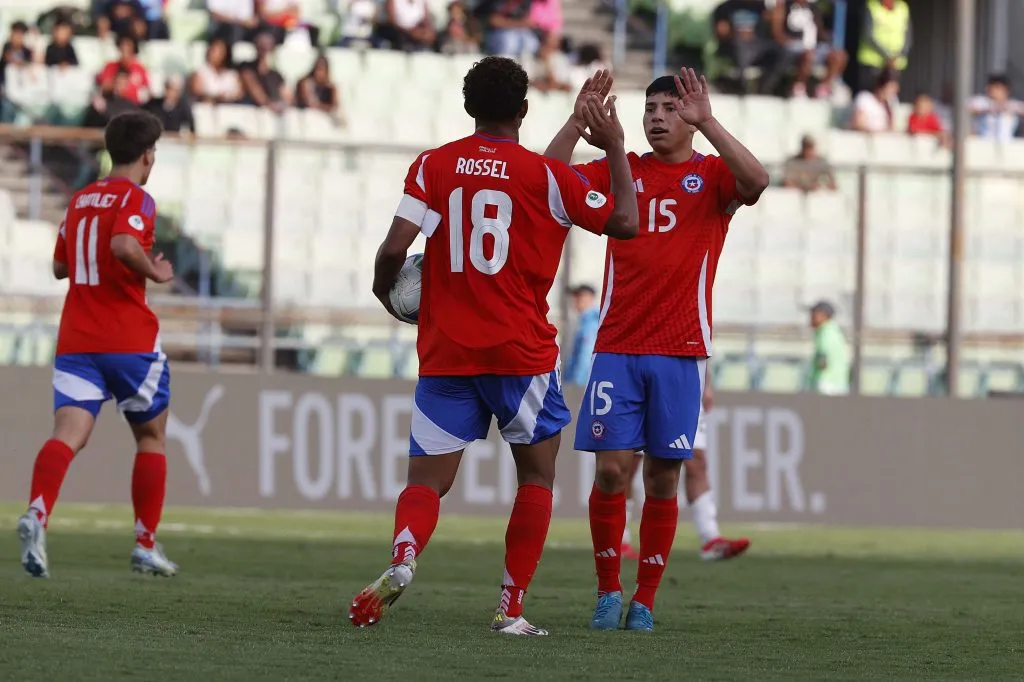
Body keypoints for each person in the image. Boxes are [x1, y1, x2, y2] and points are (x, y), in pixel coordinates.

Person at [349, 56, 639, 636]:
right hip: (521, 355)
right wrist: (609, 144)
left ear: (467, 107)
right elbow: (626, 222)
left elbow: (391, 250)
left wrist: (390, 297)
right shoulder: (548, 178)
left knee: (426, 483)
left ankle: (404, 557)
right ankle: (510, 608)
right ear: (524, 111)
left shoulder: (434, 166)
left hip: (447, 352)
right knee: (535, 480)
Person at [545, 67, 769, 631]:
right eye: (650, 108)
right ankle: (606, 593)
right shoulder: (623, 170)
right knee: (612, 474)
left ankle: (644, 599)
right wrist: (577, 121)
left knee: (664, 478)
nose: (657, 117)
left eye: (669, 108)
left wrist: (710, 123)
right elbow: (547, 179)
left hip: (680, 351)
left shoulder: (712, 175)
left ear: (687, 116)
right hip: (618, 346)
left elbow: (758, 181)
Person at [17, 110, 177, 580]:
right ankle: (145, 544)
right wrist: (155, 269)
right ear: (148, 156)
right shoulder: (137, 198)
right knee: (151, 438)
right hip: (129, 340)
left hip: (76, 340)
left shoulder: (80, 199)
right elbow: (124, 244)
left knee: (67, 436)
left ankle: (38, 513)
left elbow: (59, 267)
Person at [620, 367, 747, 563]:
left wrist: (707, 383)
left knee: (697, 459)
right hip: (643, 371)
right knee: (630, 462)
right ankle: (620, 539)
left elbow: (704, 337)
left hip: (686, 380)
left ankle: (710, 538)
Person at [772, 0, 847, 99]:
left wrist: (826, 38)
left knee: (839, 56)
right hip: (792, 46)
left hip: (813, 46)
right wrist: (789, 42)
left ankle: (823, 88)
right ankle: (798, 88)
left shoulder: (813, 8)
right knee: (808, 55)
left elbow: (819, 31)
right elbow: (777, 33)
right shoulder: (784, 6)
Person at [712, 0, 789, 95]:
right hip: (734, 45)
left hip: (757, 45)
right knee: (740, 48)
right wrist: (737, 33)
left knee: (781, 51)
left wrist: (776, 13)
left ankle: (764, 87)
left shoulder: (760, 7)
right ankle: (743, 88)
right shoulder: (725, 7)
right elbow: (721, 30)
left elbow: (770, 26)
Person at [856, 0, 911, 92]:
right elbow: (868, 35)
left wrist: (899, 54)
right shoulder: (872, 6)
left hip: (896, 64)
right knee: (869, 95)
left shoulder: (903, 8)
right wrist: (887, 56)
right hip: (873, 63)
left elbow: (908, 35)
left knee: (890, 95)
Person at [239, 30, 291, 112]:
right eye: (261, 46)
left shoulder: (276, 75)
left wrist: (282, 105)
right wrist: (269, 104)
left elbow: (287, 96)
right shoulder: (248, 69)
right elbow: (256, 93)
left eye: (267, 46)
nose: (264, 50)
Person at [808, 300, 850, 395]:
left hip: (827, 385)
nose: (810, 318)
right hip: (839, 383)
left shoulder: (825, 332)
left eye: (813, 314)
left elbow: (823, 360)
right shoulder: (835, 331)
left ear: (822, 315)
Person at [97, 34, 150, 106]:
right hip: (113, 103)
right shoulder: (110, 66)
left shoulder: (140, 68)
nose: (125, 48)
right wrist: (117, 85)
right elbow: (104, 87)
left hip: (134, 106)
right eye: (122, 45)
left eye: (128, 45)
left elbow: (147, 91)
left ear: (133, 48)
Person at [969, 75, 1024, 143]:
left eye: (998, 88)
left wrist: (1008, 109)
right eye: (992, 88)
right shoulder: (982, 101)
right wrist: (989, 109)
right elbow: (969, 107)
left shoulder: (1012, 104)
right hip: (984, 142)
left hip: (1007, 143)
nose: (994, 91)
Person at [564, 284, 600, 386]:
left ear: (588, 298)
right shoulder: (585, 320)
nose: (574, 301)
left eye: (578, 297)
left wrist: (576, 383)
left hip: (581, 384)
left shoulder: (590, 322)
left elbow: (586, 355)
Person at [189, 37, 243, 104]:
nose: (213, 53)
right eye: (213, 49)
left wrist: (227, 97)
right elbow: (197, 92)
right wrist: (216, 98)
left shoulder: (232, 74)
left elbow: (239, 94)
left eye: (219, 51)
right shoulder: (200, 72)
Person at [296, 51, 343, 124]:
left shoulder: (330, 87)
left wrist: (332, 91)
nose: (320, 73)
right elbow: (312, 104)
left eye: (323, 69)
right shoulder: (306, 83)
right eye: (319, 69)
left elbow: (336, 105)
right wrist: (327, 109)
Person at [849, 69, 898, 133]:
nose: (892, 93)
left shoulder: (889, 104)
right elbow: (858, 123)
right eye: (890, 88)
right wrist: (874, 132)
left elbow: (891, 128)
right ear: (881, 86)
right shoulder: (864, 98)